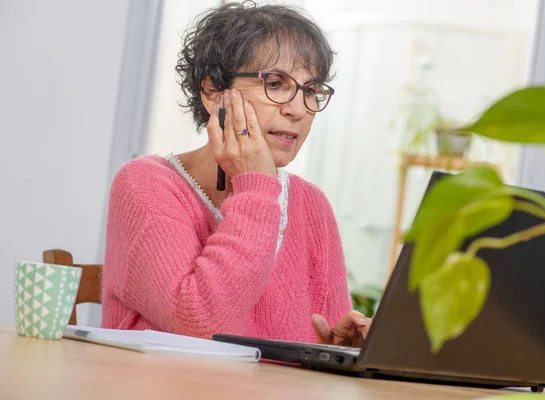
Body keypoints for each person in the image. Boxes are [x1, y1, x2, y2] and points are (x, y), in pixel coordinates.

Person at [101, 1, 371, 346]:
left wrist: (338, 349)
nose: (297, 110)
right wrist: (256, 185)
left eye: (310, 91)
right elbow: (204, 326)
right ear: (213, 92)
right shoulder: (144, 183)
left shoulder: (311, 205)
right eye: (275, 83)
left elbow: (322, 340)